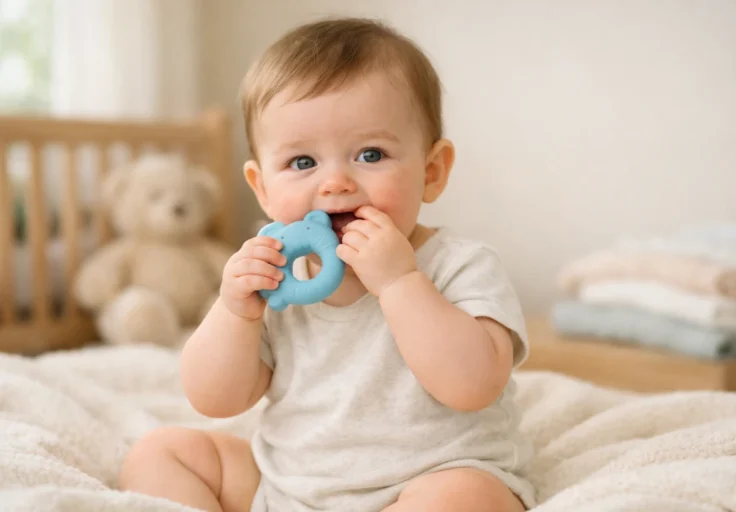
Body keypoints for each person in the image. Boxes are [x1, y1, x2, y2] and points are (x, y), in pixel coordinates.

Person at [118, 16, 535, 512]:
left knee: (467, 499)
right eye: (302, 163)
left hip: (427, 480)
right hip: (289, 488)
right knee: (159, 453)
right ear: (263, 189)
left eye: (371, 153)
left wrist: (401, 282)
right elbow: (216, 400)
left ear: (431, 171)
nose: (335, 182)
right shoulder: (276, 276)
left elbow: (473, 385)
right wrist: (235, 313)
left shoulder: (458, 265)